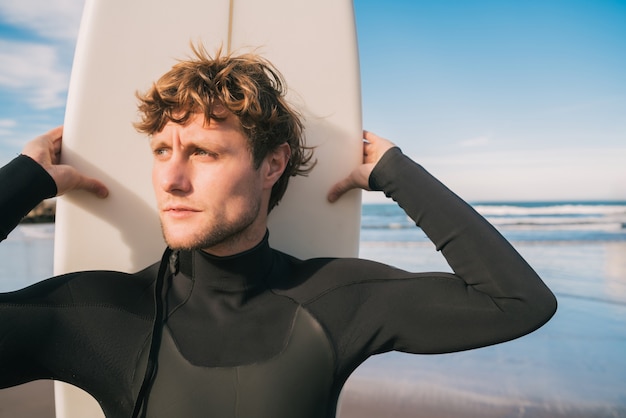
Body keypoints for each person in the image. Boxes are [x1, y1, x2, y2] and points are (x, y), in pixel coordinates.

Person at [0, 48, 557, 418]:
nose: (170, 179)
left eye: (203, 152)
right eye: (162, 151)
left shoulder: (336, 301)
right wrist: (23, 180)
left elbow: (519, 302)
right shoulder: (101, 314)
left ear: (272, 165)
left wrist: (396, 172)